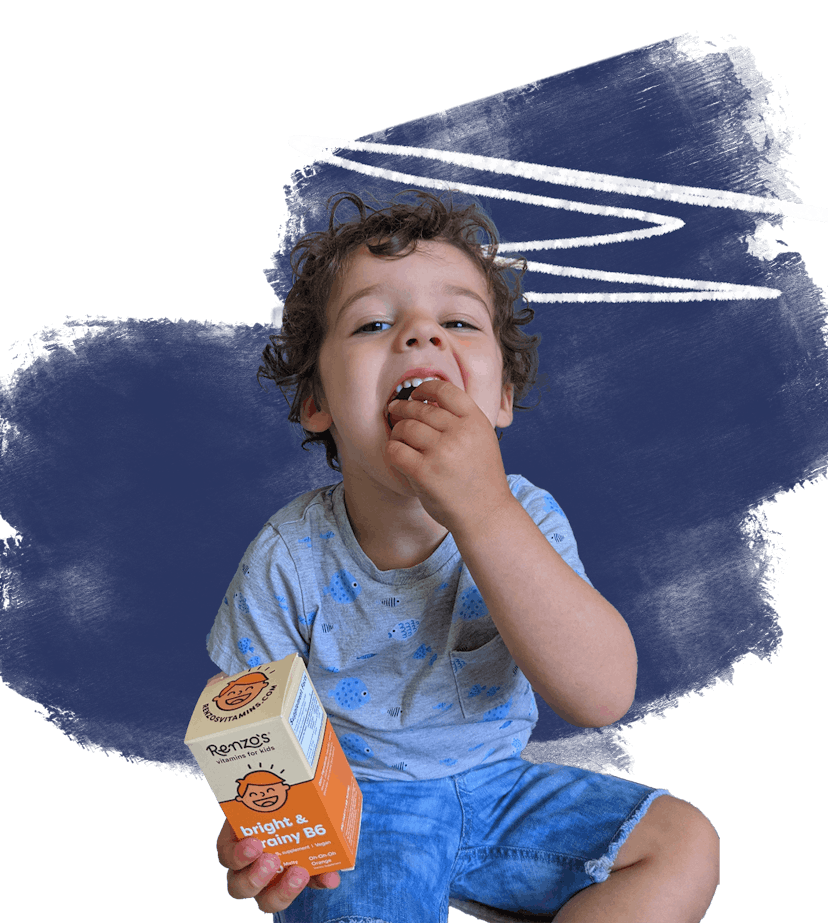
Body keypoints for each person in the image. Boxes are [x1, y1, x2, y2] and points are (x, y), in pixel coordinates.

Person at [205, 189, 720, 922]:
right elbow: (249, 728)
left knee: (682, 842)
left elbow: (601, 695)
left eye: (456, 321)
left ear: (501, 397)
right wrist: (263, 828)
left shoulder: (526, 516)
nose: (420, 336)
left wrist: (483, 511)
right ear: (317, 401)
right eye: (375, 322)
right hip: (362, 814)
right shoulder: (288, 555)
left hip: (502, 792)